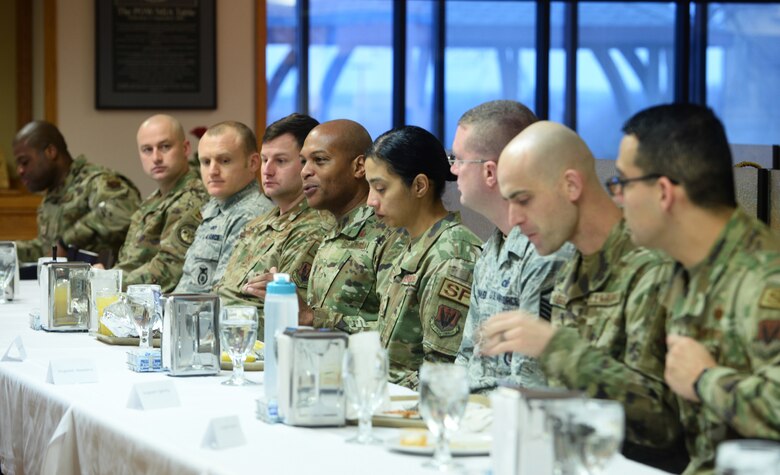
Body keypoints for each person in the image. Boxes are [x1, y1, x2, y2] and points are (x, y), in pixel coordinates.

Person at [479, 121, 687, 472]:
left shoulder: (651, 266)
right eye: (509, 202)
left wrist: (555, 347)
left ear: (571, 185)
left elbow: (661, 423)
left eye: (523, 199)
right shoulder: (572, 266)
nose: (514, 219)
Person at [614, 103, 780, 474]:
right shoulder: (683, 272)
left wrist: (706, 380)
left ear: (663, 192)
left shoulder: (765, 280)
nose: (618, 197)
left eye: (623, 183)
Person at [450, 100, 573, 393]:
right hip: (477, 414)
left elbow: (529, 380)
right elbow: (468, 352)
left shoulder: (546, 250)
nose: (453, 169)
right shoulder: (493, 247)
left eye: (457, 158)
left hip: (510, 421)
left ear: (490, 172)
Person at [366, 125, 482, 390]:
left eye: (381, 189)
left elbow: (443, 372)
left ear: (419, 186)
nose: (371, 201)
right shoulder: (408, 244)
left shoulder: (452, 255)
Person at [214, 113, 334, 335]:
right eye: (265, 159)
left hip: (250, 344)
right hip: (225, 333)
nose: (267, 170)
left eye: (280, 161)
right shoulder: (259, 222)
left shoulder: (312, 228)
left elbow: (285, 318)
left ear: (306, 165)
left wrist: (210, 325)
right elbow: (226, 293)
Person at [298, 119, 404, 333]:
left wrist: (314, 318)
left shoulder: (388, 232)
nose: (305, 172)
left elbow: (397, 336)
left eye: (319, 160)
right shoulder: (333, 229)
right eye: (303, 162)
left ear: (359, 167)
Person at [12, 120, 140, 263]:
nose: (20, 171)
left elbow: (124, 212)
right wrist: (8, 251)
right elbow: (48, 249)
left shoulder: (95, 181)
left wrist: (67, 242)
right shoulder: (52, 196)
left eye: (24, 162)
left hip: (103, 281)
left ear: (50, 152)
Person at [112, 114, 208, 292]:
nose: (156, 157)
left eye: (165, 147)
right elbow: (130, 261)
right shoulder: (154, 199)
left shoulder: (193, 197)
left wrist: (110, 282)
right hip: (134, 301)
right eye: (147, 150)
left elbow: (168, 270)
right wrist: (108, 276)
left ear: (186, 148)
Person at [174, 121, 273, 293]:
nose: (212, 171)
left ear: (253, 163)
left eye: (224, 160)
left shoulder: (250, 215)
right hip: (186, 313)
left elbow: (222, 297)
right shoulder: (215, 207)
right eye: (205, 162)